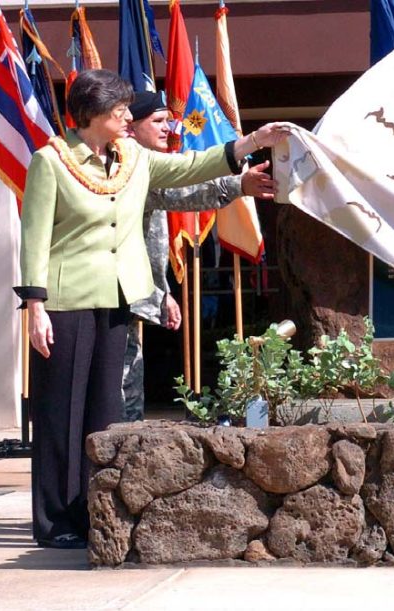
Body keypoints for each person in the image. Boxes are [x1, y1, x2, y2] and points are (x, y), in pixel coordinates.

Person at [15, 69, 287, 549]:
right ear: (94, 113)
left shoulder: (133, 157)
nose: (127, 115)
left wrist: (248, 144)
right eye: (119, 109)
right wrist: (34, 306)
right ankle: (56, 520)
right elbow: (34, 238)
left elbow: (189, 168)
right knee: (61, 411)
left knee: (104, 410)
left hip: (120, 297)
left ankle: (93, 512)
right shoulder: (50, 162)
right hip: (66, 299)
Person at [121, 91, 277, 422]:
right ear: (130, 128)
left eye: (169, 121)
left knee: (127, 389)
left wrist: (161, 293)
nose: (169, 130)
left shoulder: (144, 165)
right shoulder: (130, 168)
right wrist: (240, 185)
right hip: (116, 299)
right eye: (158, 122)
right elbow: (188, 189)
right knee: (120, 395)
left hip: (135, 294)